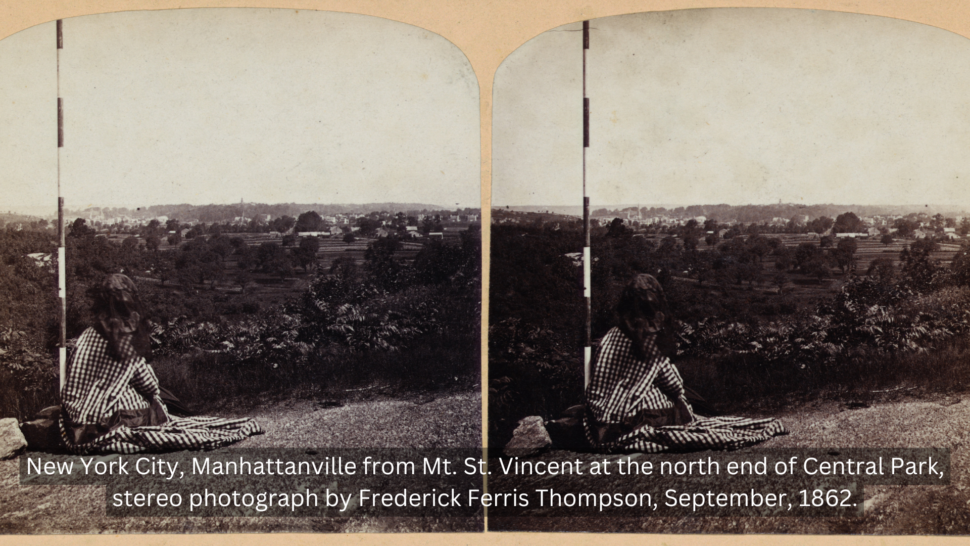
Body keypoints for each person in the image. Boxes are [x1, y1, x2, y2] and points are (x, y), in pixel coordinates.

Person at [59, 274, 261, 454]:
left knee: (121, 386)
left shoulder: (87, 334)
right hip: (106, 422)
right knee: (146, 394)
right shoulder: (126, 338)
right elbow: (148, 385)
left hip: (74, 425)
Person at [583, 274, 786, 453]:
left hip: (596, 425)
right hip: (625, 423)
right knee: (666, 395)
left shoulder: (610, 336)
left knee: (647, 388)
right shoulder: (649, 343)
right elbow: (673, 385)